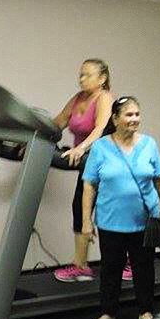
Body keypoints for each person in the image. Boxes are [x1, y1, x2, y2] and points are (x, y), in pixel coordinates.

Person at [81, 96, 160, 319]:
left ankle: (146, 310)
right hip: (110, 222)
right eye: (129, 115)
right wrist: (85, 221)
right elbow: (89, 185)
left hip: (144, 220)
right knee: (111, 269)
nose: (134, 119)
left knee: (144, 268)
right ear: (115, 119)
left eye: (137, 114)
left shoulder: (149, 144)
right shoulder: (100, 147)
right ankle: (108, 312)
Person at [52, 59, 113, 282]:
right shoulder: (78, 99)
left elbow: (101, 127)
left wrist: (81, 147)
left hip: (108, 163)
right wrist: (31, 135)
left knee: (112, 213)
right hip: (88, 162)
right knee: (79, 207)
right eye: (80, 75)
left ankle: (128, 262)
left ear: (102, 79)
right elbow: (57, 123)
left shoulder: (104, 97)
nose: (82, 79)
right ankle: (81, 266)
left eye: (87, 75)